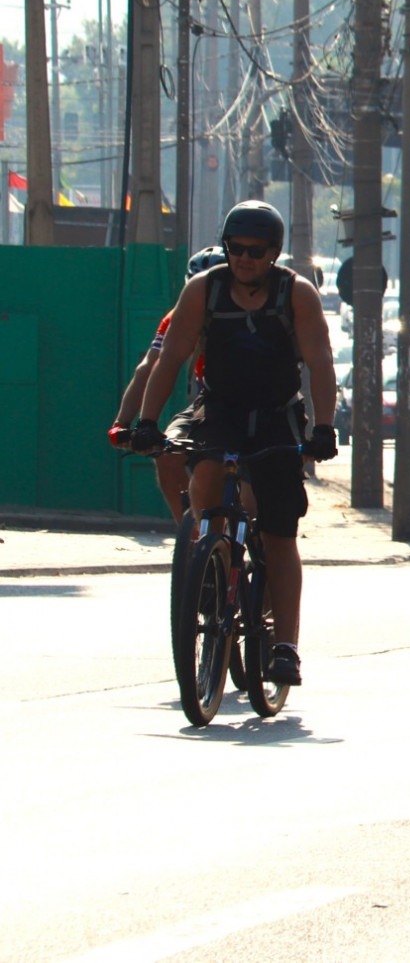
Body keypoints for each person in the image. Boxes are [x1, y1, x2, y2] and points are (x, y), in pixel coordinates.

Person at [131, 201, 338, 687]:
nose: (244, 259)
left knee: (279, 534)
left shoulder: (296, 295)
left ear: (274, 253)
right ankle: (210, 557)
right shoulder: (203, 291)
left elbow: (321, 363)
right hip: (219, 408)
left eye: (255, 251)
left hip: (276, 415)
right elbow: (170, 359)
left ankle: (285, 645)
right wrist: (145, 420)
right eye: (236, 249)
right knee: (201, 473)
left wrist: (323, 428)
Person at [111, 245, 226, 525]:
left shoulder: (254, 313)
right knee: (167, 455)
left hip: (256, 403)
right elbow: (148, 368)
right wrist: (123, 423)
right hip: (208, 403)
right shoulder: (177, 318)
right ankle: (193, 535)